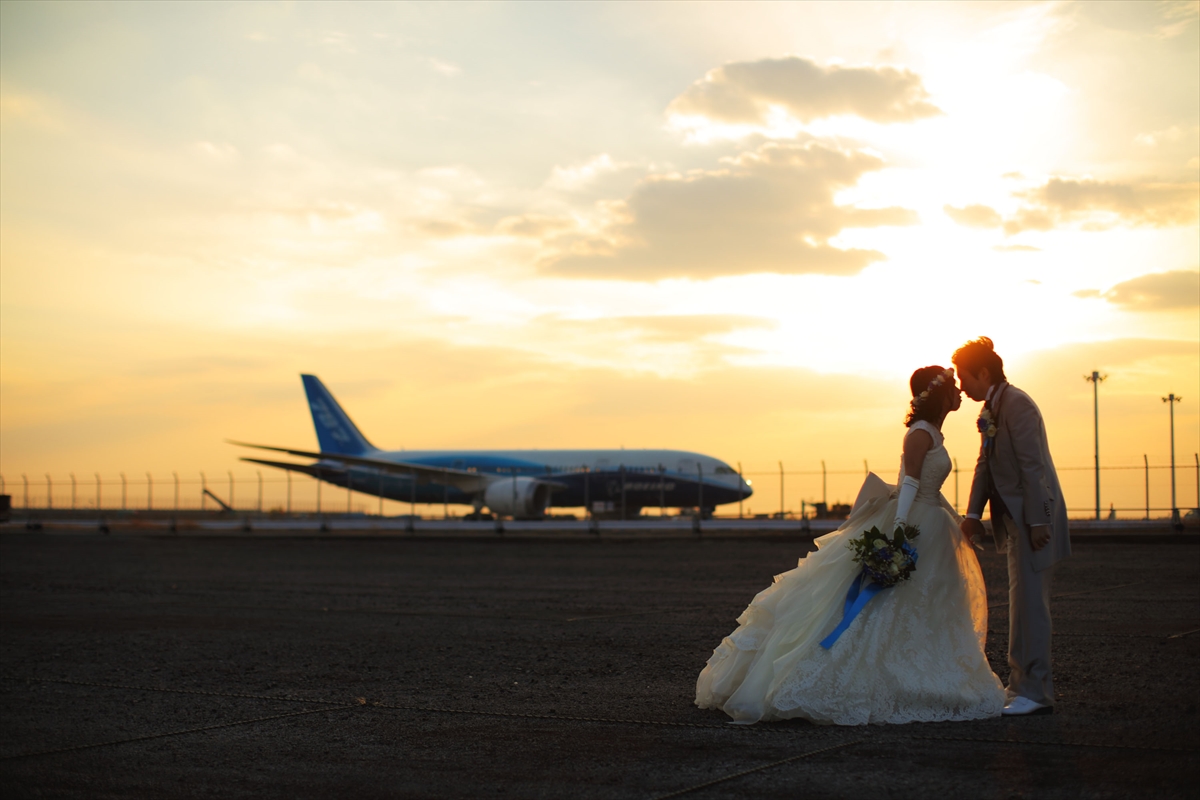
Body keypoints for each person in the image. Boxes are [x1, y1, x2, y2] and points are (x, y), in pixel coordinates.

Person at [695, 366, 1005, 725]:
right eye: (953, 386)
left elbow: (925, 488)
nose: (960, 392)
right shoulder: (920, 434)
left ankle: (934, 672)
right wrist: (899, 532)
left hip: (935, 522)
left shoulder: (933, 433)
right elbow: (909, 486)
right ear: (937, 395)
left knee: (930, 603)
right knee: (892, 604)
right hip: (917, 523)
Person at [953, 337, 1069, 717]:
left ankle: (1036, 692)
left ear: (983, 372)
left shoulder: (1017, 404)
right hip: (1017, 524)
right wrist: (972, 516)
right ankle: (1021, 685)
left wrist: (1038, 521)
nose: (961, 384)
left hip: (1035, 523)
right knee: (1021, 607)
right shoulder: (993, 406)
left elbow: (1033, 467)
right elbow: (984, 466)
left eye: (963, 375)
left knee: (1032, 608)